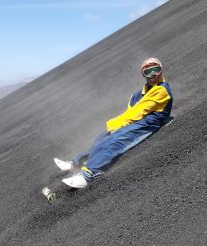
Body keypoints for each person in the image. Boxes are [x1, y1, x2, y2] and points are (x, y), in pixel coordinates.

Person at [55, 58, 173, 188]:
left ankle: (88, 175)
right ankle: (75, 164)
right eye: (148, 71)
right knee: (101, 138)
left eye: (156, 70)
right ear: (143, 74)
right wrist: (113, 126)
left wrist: (119, 126)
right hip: (134, 120)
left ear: (161, 70)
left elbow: (137, 114)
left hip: (147, 123)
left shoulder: (162, 89)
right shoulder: (139, 93)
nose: (153, 74)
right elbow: (130, 111)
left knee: (115, 140)